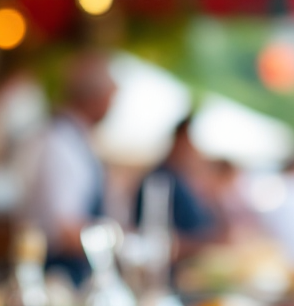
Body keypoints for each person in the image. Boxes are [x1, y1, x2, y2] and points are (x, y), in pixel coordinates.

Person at [22, 52, 117, 284]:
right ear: (95, 98)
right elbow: (65, 231)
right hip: (60, 276)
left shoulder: (72, 141)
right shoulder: (60, 145)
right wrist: (119, 243)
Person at [133, 116, 220, 259]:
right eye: (191, 142)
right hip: (169, 273)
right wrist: (205, 244)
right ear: (180, 140)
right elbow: (154, 239)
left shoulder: (183, 179)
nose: (195, 150)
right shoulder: (158, 181)